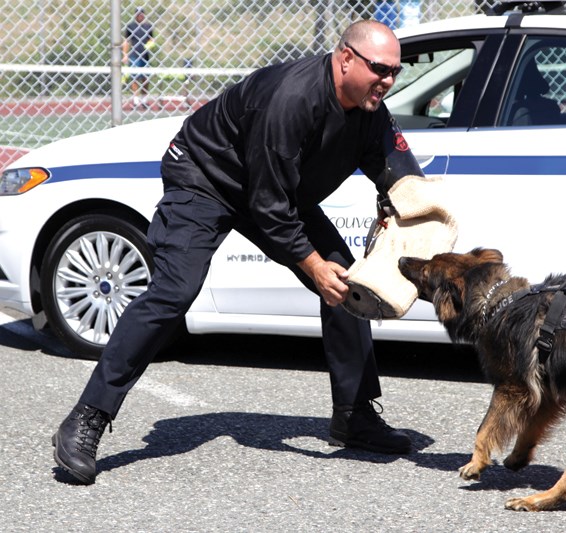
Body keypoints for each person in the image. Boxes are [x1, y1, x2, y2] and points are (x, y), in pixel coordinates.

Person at [52, 19, 418, 485]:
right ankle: (86, 420)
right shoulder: (292, 99)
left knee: (348, 283)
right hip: (207, 179)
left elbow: (403, 180)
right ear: (346, 58)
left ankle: (356, 416)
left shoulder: (371, 109)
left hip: (276, 194)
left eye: (395, 73)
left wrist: (411, 218)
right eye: (379, 69)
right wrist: (311, 265)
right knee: (174, 292)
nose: (387, 81)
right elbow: (267, 206)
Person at [123, 7, 155, 109]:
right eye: (138, 13)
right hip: (134, 55)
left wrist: (150, 44)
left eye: (141, 13)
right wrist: (125, 54)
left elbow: (151, 39)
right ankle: (136, 101)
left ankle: (144, 100)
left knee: (145, 78)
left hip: (145, 56)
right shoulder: (131, 26)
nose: (139, 15)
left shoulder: (148, 26)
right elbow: (127, 41)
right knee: (135, 78)